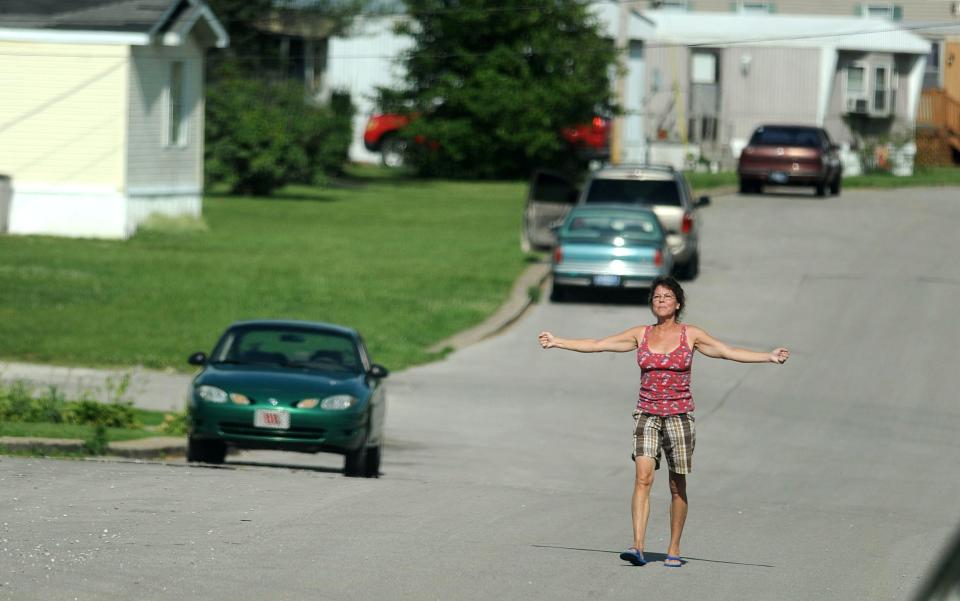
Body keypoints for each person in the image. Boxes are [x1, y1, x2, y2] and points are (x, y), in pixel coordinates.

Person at [537, 275, 789, 568]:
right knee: (643, 477)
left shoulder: (690, 335)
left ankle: (673, 547)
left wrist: (768, 357)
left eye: (667, 297)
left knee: (676, 485)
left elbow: (727, 351)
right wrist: (558, 341)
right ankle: (638, 546)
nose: (661, 301)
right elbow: (598, 344)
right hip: (647, 414)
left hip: (680, 417)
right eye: (656, 297)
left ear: (678, 303)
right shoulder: (641, 334)